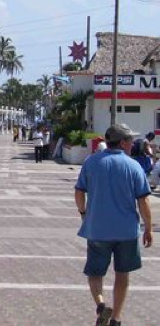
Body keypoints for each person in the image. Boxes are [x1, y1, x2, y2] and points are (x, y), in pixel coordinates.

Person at [75, 124, 153, 326]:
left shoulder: (91, 163)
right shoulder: (133, 166)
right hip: (126, 231)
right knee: (122, 274)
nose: (133, 144)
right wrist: (149, 228)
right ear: (123, 142)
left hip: (97, 229)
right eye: (131, 140)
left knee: (95, 273)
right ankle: (116, 319)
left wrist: (84, 213)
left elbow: (79, 191)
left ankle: (101, 305)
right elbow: (143, 201)